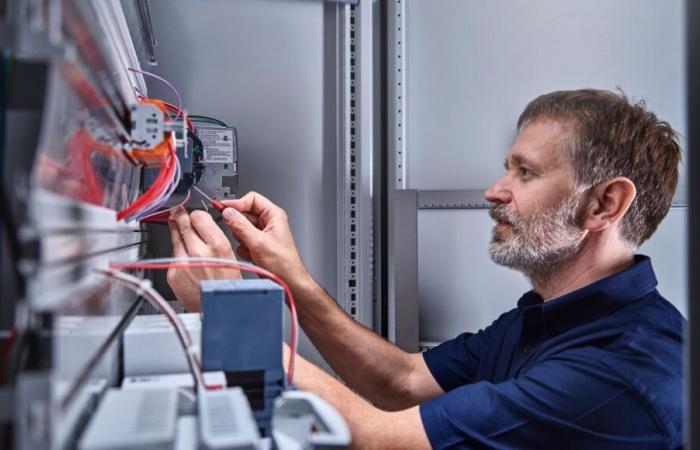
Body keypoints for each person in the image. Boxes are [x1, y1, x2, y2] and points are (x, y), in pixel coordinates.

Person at [167, 89, 684, 449]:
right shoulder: (548, 317)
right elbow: (403, 380)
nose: (495, 190)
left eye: (525, 172)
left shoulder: (621, 371)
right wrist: (291, 277)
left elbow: (378, 440)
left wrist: (230, 316)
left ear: (604, 204)